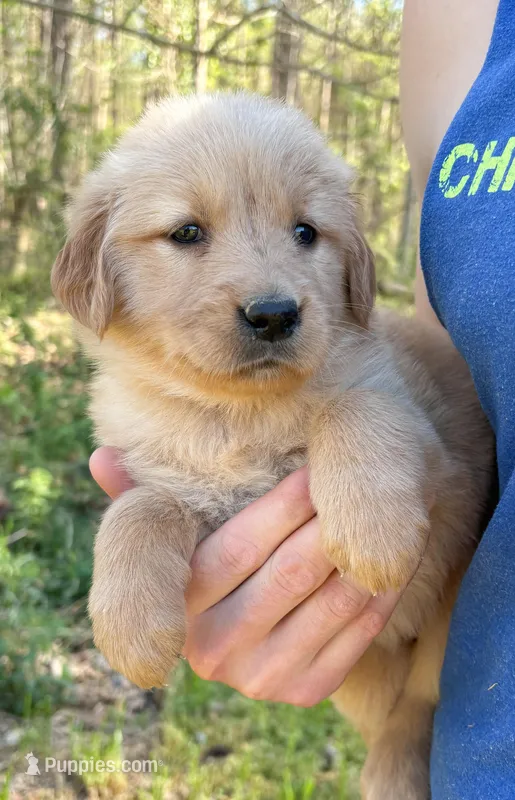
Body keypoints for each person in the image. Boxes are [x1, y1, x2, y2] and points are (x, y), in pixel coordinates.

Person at [90, 0, 515, 795]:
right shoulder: (457, 21)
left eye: (304, 232)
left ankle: (411, 715)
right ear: (94, 272)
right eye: (187, 234)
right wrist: (144, 527)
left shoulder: (354, 368)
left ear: (351, 264)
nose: (269, 294)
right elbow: (459, 323)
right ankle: (402, 724)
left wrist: (360, 425)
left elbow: (432, 438)